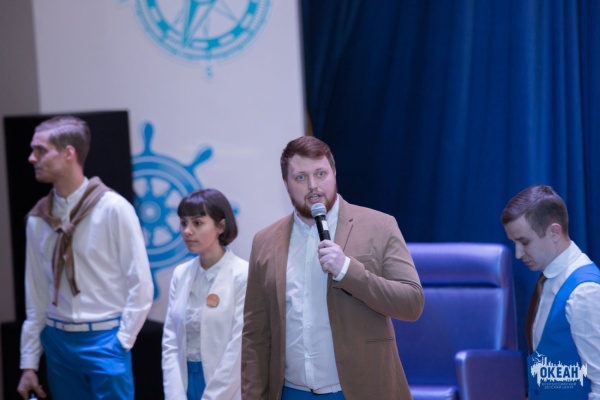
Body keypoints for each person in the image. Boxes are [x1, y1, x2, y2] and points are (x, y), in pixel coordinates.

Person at [241, 136, 424, 399]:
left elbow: (412, 303)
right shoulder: (265, 242)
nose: (313, 185)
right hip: (292, 392)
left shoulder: (380, 226)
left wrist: (348, 271)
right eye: (300, 177)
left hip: (361, 391)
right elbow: (255, 335)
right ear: (286, 184)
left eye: (320, 173)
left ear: (334, 173)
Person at [17, 116, 154, 400]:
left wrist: (122, 341)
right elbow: (36, 295)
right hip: (57, 341)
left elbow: (140, 282)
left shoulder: (114, 208)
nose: (32, 158)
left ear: (68, 153)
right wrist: (29, 362)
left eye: (41, 150)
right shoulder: (38, 219)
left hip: (106, 338)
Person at [501, 185, 600, 399]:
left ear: (554, 232)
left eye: (524, 242)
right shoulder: (548, 279)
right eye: (514, 243)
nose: (518, 254)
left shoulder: (584, 292)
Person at [162, 188, 248, 400]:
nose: (187, 231)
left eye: (197, 223)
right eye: (183, 223)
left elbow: (238, 349)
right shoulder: (181, 274)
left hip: (225, 388)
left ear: (221, 226)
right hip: (183, 383)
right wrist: (175, 395)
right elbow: (170, 342)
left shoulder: (242, 274)